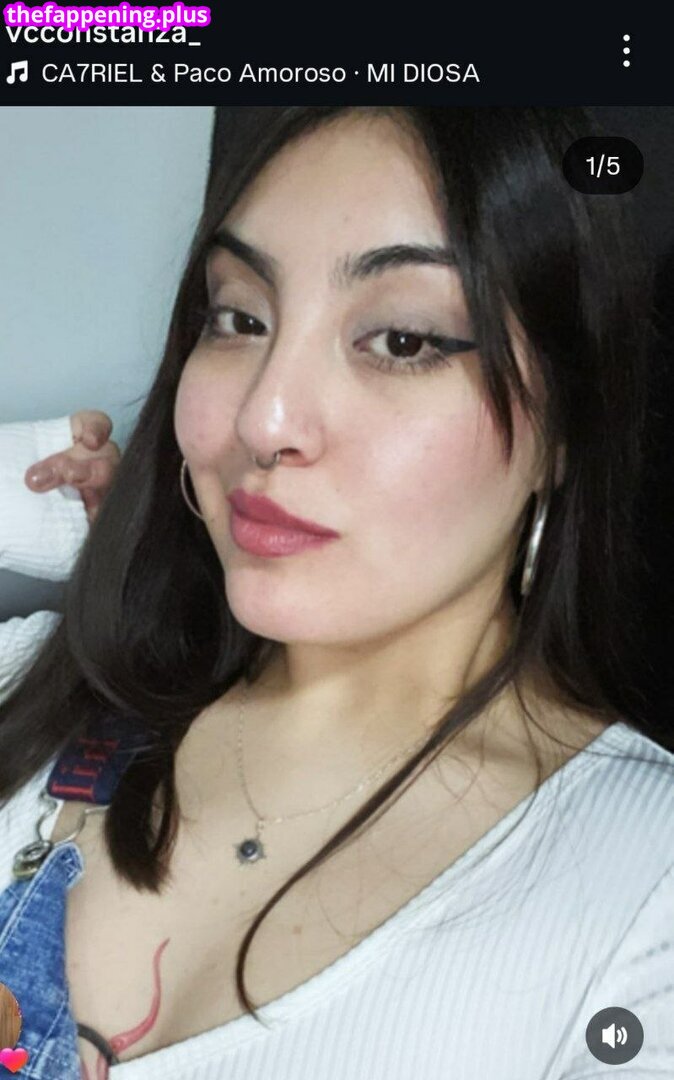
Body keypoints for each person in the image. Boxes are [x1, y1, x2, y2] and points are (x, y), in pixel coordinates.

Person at [0, 105, 673, 1080]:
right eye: (239, 319)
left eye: (402, 340)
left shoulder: (645, 894)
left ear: (565, 422)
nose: (263, 419)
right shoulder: (29, 683)